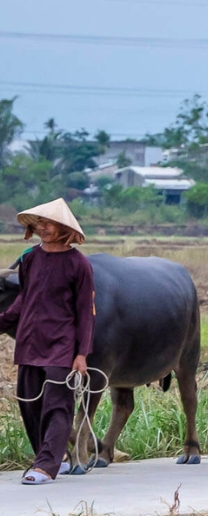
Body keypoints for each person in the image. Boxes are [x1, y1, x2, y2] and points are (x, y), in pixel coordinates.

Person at [0, 199, 93, 485]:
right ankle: (57, 458)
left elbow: (85, 312)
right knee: (29, 404)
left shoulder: (78, 264)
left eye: (48, 223)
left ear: (64, 228)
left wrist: (82, 354)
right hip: (28, 342)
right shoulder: (29, 258)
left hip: (60, 345)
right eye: (39, 223)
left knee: (57, 405)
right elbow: (23, 301)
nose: (42, 228)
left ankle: (45, 467)